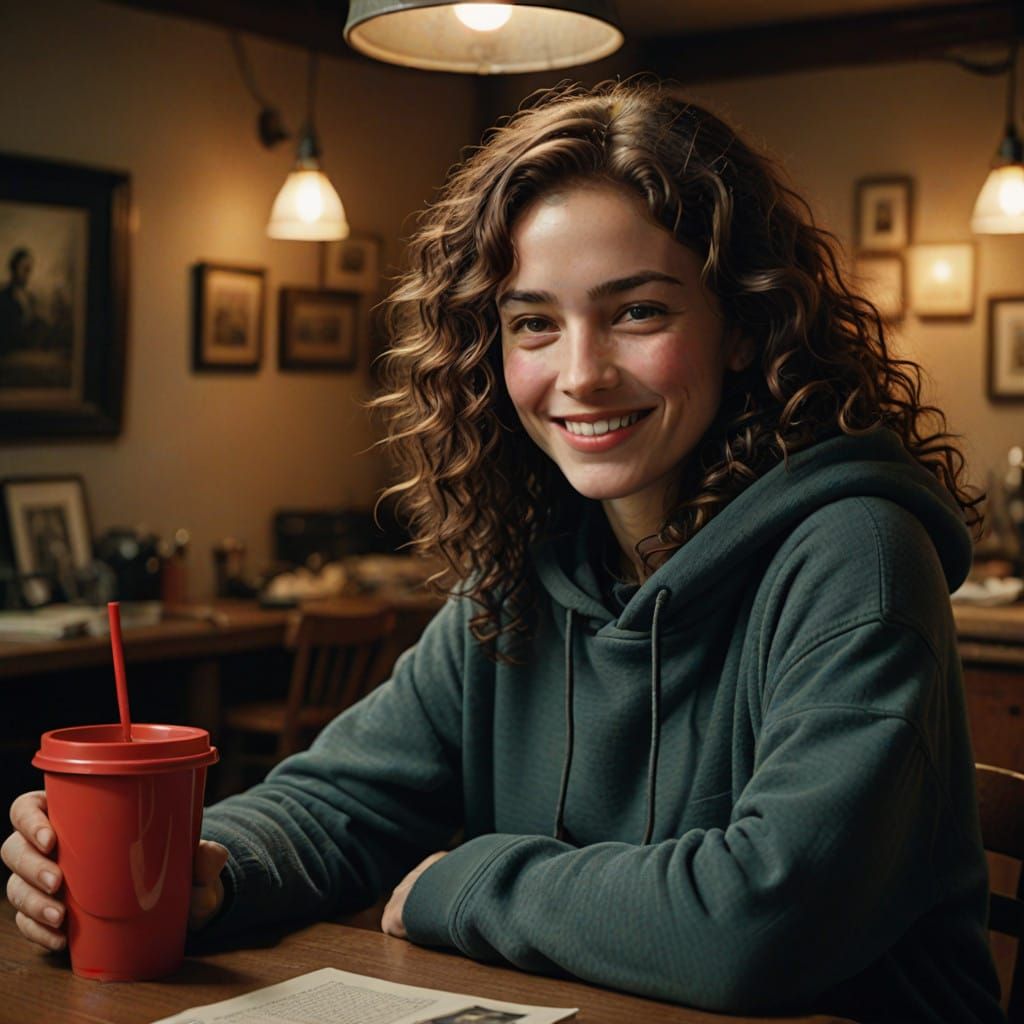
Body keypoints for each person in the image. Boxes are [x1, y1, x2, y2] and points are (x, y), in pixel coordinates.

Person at [3, 78, 1005, 1021]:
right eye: (533, 323)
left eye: (638, 311)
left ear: (741, 323)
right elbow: (340, 797)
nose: (581, 373)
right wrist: (207, 867)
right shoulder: (524, 570)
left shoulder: (857, 557)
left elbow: (761, 917)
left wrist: (465, 877)